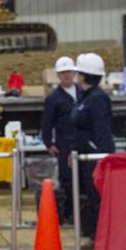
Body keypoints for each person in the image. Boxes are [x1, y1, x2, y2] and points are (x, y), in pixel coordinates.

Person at [71, 51, 115, 249]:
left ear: (84, 75)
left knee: (98, 197)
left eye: (78, 72)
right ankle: (94, 234)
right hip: (85, 155)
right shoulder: (85, 97)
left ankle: (101, 237)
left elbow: (102, 130)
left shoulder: (97, 99)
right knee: (90, 196)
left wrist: (103, 158)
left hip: (95, 156)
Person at [41, 55, 78, 219]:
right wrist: (48, 143)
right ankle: (69, 213)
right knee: (67, 178)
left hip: (81, 142)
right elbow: (47, 122)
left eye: (69, 72)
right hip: (64, 144)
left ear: (74, 73)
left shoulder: (82, 93)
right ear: (58, 76)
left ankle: (81, 212)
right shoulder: (53, 98)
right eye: (63, 73)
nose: (67, 75)